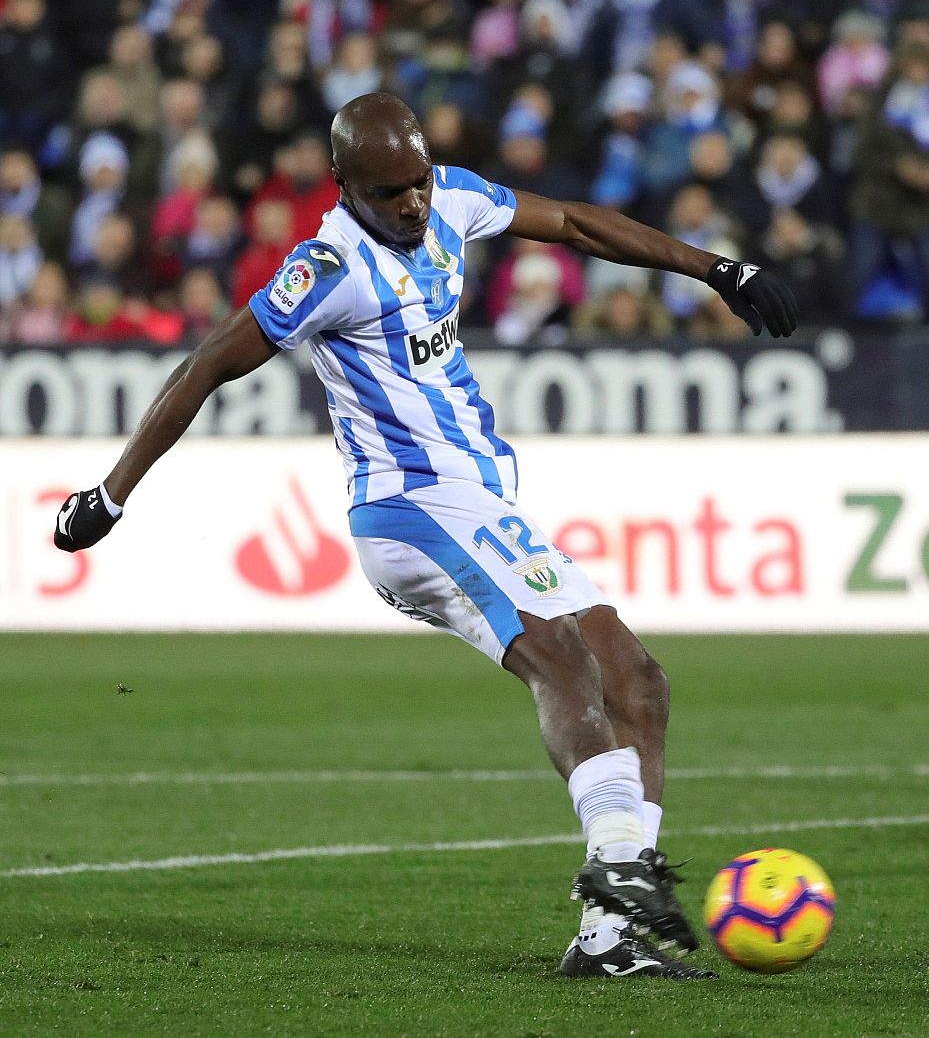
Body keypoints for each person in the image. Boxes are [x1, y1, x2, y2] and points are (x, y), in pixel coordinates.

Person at [51, 93, 798, 980]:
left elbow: (575, 225)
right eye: (390, 192)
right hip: (405, 512)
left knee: (639, 681)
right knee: (559, 657)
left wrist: (718, 270)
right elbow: (208, 362)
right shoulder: (330, 265)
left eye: (416, 183)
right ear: (344, 186)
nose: (412, 204)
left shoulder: (447, 197)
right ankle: (625, 868)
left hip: (487, 505)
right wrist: (110, 491)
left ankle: (611, 936)